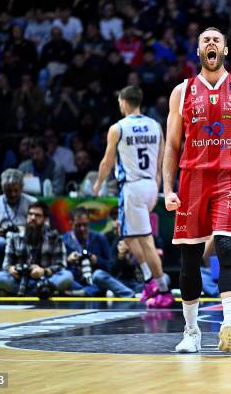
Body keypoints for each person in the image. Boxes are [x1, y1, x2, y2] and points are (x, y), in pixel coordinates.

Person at [163, 27, 231, 353]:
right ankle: (192, 331)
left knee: (226, 247)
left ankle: (229, 324)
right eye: (205, 40)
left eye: (216, 40)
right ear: (198, 51)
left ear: (224, 50)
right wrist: (167, 188)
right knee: (190, 258)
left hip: (229, 178)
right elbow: (171, 146)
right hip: (191, 179)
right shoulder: (181, 92)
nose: (211, 44)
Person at [93, 85, 174, 308]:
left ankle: (163, 289)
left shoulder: (118, 128)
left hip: (132, 186)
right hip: (150, 185)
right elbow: (163, 157)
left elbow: (107, 162)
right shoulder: (155, 125)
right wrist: (160, 184)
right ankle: (149, 280)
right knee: (127, 234)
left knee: (146, 240)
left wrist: (98, 183)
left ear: (124, 101)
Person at [0, 202, 73, 296]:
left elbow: (61, 265)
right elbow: (6, 264)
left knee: (67, 276)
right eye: (30, 214)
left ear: (45, 219)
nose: (33, 218)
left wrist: (44, 271)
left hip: (45, 279)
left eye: (37, 215)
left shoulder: (55, 237)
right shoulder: (14, 236)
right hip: (21, 280)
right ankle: (41, 291)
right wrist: (12, 269)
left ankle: (32, 291)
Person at [63, 207, 134, 297]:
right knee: (65, 276)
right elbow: (57, 268)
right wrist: (68, 260)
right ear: (71, 224)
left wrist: (97, 260)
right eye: (78, 225)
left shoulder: (100, 238)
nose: (82, 229)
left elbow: (110, 267)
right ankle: (86, 292)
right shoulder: (64, 240)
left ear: (89, 222)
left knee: (99, 276)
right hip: (75, 282)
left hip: (96, 281)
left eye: (85, 225)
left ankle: (85, 292)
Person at [0, 168, 36, 277]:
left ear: (22, 188)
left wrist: (24, 229)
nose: (13, 194)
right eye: (8, 191)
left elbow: (44, 228)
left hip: (26, 239)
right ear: (3, 189)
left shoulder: (32, 202)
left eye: (16, 190)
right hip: (3, 240)